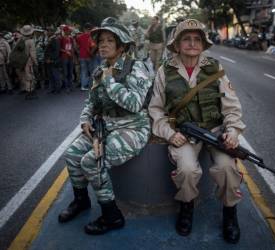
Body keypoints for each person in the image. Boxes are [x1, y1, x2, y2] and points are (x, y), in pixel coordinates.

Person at [148, 19, 246, 243]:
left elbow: (231, 107)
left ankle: (230, 214)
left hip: (215, 131)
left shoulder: (215, 67)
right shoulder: (166, 70)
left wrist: (232, 132)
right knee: (187, 170)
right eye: (186, 39)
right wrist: (169, 133)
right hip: (183, 134)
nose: (192, 43)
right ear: (177, 44)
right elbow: (155, 109)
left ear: (203, 44)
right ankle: (187, 208)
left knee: (226, 168)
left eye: (197, 39)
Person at [58, 17, 152, 235]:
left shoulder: (136, 67)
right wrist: (84, 120)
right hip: (105, 126)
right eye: (101, 41)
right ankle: (81, 201)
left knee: (93, 161)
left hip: (133, 128)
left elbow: (135, 103)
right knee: (72, 155)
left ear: (121, 46)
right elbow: (91, 101)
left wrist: (110, 82)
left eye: (110, 40)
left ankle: (112, 216)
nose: (103, 45)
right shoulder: (100, 70)